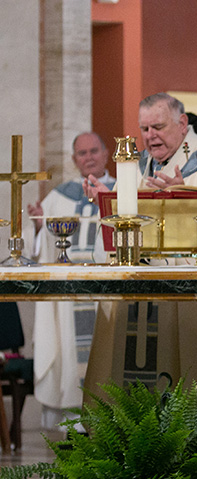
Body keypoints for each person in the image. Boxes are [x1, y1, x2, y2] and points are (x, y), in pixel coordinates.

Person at [83, 93, 197, 394]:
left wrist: (186, 195)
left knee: (187, 377)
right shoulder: (137, 165)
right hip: (141, 290)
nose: (150, 137)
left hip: (188, 293)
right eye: (145, 129)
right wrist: (106, 203)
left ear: (182, 122)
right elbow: (119, 230)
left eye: (158, 127)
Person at [27, 132, 115, 429]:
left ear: (105, 154)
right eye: (81, 153)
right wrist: (40, 226)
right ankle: (71, 425)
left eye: (93, 151)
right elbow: (41, 247)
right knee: (68, 354)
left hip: (106, 292)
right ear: (74, 159)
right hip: (68, 294)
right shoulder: (59, 196)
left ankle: (106, 419)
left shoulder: (122, 192)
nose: (88, 157)